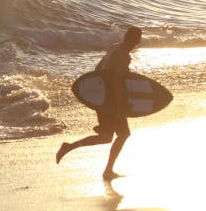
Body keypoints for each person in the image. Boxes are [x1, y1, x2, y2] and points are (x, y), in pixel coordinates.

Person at [57, 27, 143, 181]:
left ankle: (69, 147)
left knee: (106, 137)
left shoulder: (114, 48)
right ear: (137, 41)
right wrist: (119, 107)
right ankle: (107, 171)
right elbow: (117, 81)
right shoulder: (124, 55)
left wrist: (96, 98)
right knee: (123, 134)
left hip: (103, 100)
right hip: (112, 102)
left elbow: (97, 70)